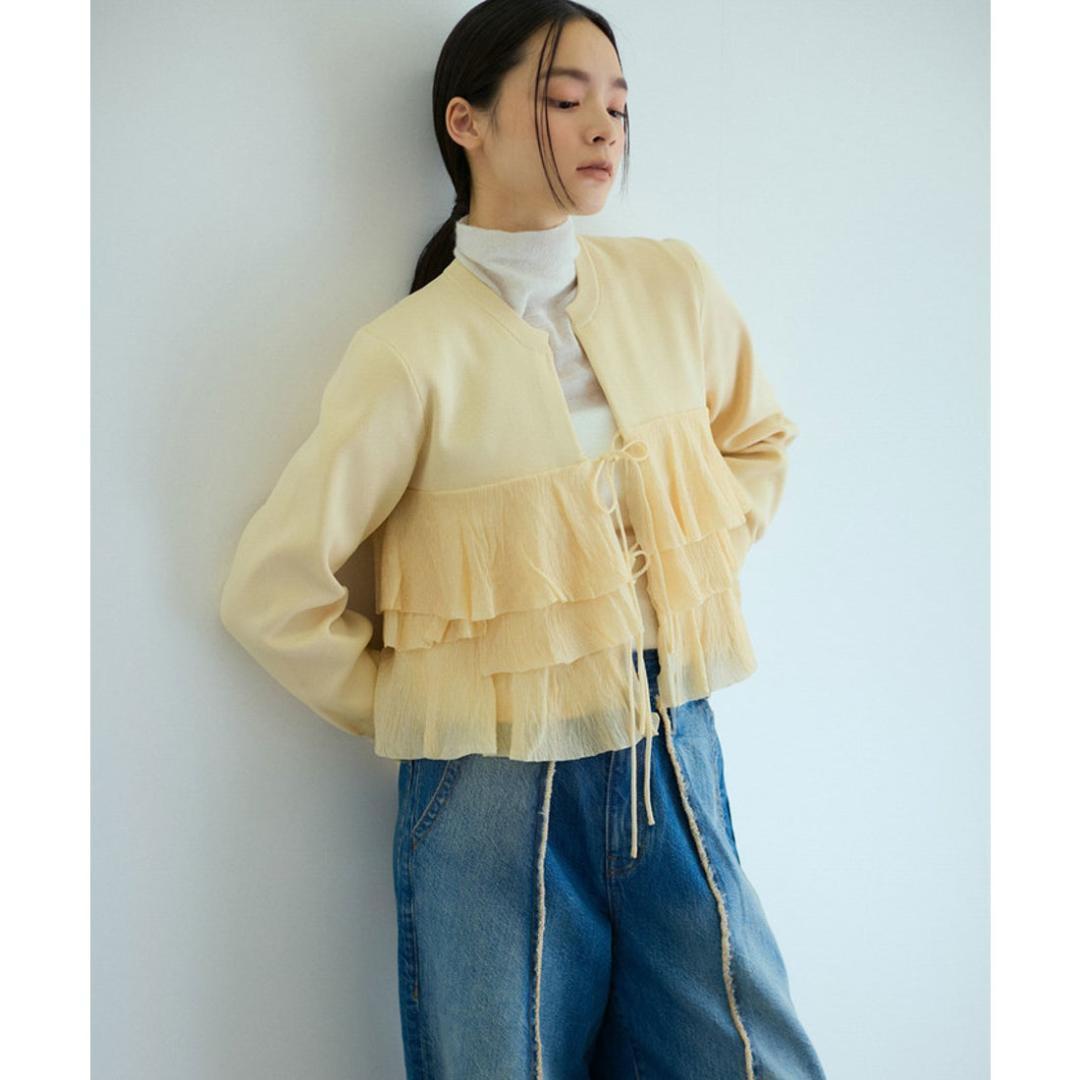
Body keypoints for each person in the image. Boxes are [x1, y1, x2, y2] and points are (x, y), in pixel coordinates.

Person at [218, 1, 829, 1077]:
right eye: (565, 98)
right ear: (467, 122)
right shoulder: (411, 352)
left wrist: (673, 582)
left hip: (670, 748)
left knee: (751, 1055)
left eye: (619, 105)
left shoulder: (672, 286)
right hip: (491, 794)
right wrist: (432, 704)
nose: (604, 126)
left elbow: (758, 441)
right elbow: (273, 592)